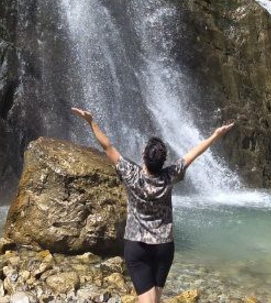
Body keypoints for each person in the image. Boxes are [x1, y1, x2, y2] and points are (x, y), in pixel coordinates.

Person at [71, 107, 234, 303]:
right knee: (154, 300)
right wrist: (215, 135)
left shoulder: (130, 174)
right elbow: (194, 153)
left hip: (136, 246)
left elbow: (107, 146)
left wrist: (91, 122)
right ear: (163, 161)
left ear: (143, 155)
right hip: (164, 247)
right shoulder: (170, 176)